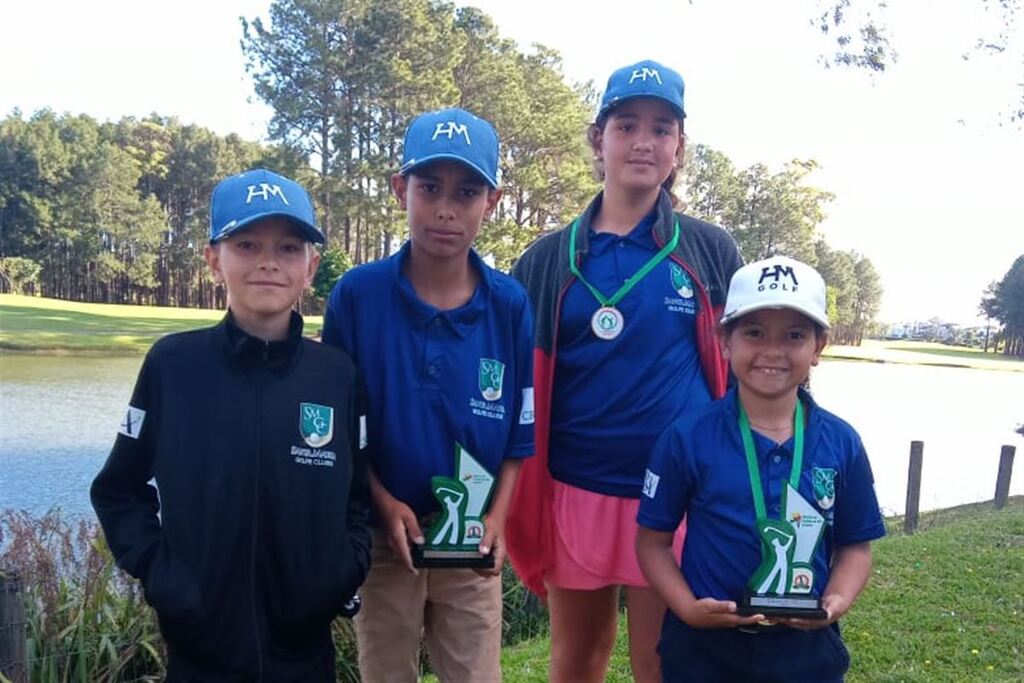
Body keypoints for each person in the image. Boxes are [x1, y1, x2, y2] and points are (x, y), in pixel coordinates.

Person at [506, 59, 744, 682]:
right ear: (598, 138)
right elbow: (508, 379)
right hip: (576, 487)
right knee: (577, 660)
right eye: (627, 125)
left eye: (662, 128)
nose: (644, 141)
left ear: (679, 149)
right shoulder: (546, 258)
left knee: (660, 664)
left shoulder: (709, 249)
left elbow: (752, 364)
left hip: (676, 499)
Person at [90, 168, 371, 682]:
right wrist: (164, 577)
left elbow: (357, 496)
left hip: (305, 654)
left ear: (310, 266)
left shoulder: (337, 375)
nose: (268, 261)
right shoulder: (172, 366)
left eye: (289, 248)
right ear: (214, 260)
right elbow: (118, 491)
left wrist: (339, 574)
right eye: (246, 244)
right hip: (200, 652)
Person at [322, 107, 534, 683]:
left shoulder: (510, 304)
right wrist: (382, 500)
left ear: (490, 201)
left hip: (472, 546)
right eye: (429, 187)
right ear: (400, 190)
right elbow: (338, 429)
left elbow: (519, 430)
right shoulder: (357, 296)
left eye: (466, 191)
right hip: (385, 541)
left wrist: (498, 519)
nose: (446, 207)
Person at [636, 255, 886, 682]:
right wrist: (686, 609)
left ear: (818, 346)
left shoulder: (842, 442)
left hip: (804, 651)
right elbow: (652, 544)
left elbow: (855, 546)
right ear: (725, 340)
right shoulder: (686, 437)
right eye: (754, 333)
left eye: (793, 335)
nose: (772, 351)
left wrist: (835, 601)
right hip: (705, 649)